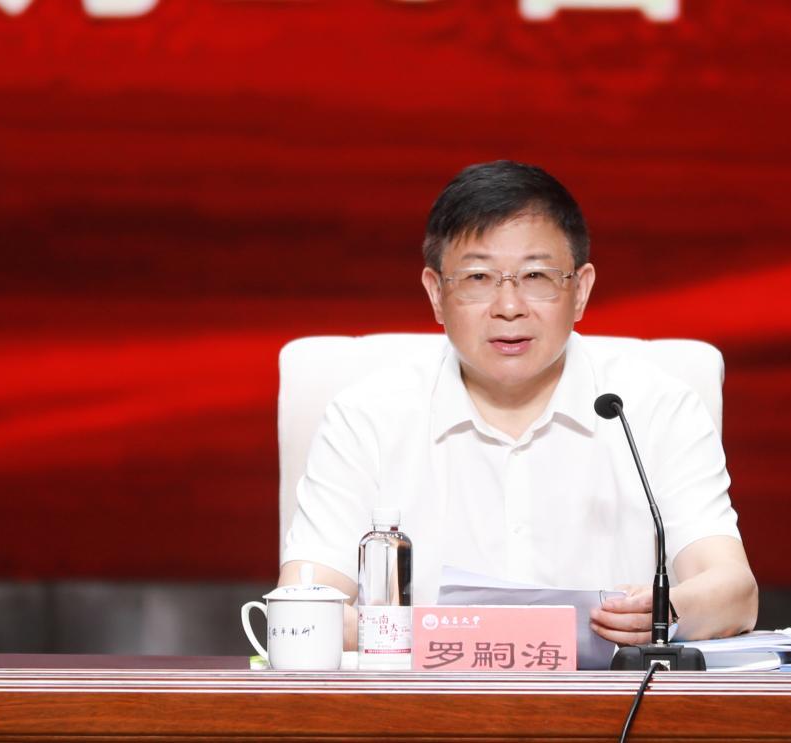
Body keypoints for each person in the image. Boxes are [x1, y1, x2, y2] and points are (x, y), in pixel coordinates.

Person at [278, 160, 757, 649]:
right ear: (436, 294)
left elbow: (734, 593)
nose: (509, 307)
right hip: (423, 698)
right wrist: (459, 640)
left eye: (536, 275)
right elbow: (305, 607)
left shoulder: (656, 408)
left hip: (613, 698)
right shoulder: (366, 418)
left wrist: (661, 613)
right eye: (478, 277)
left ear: (580, 290)